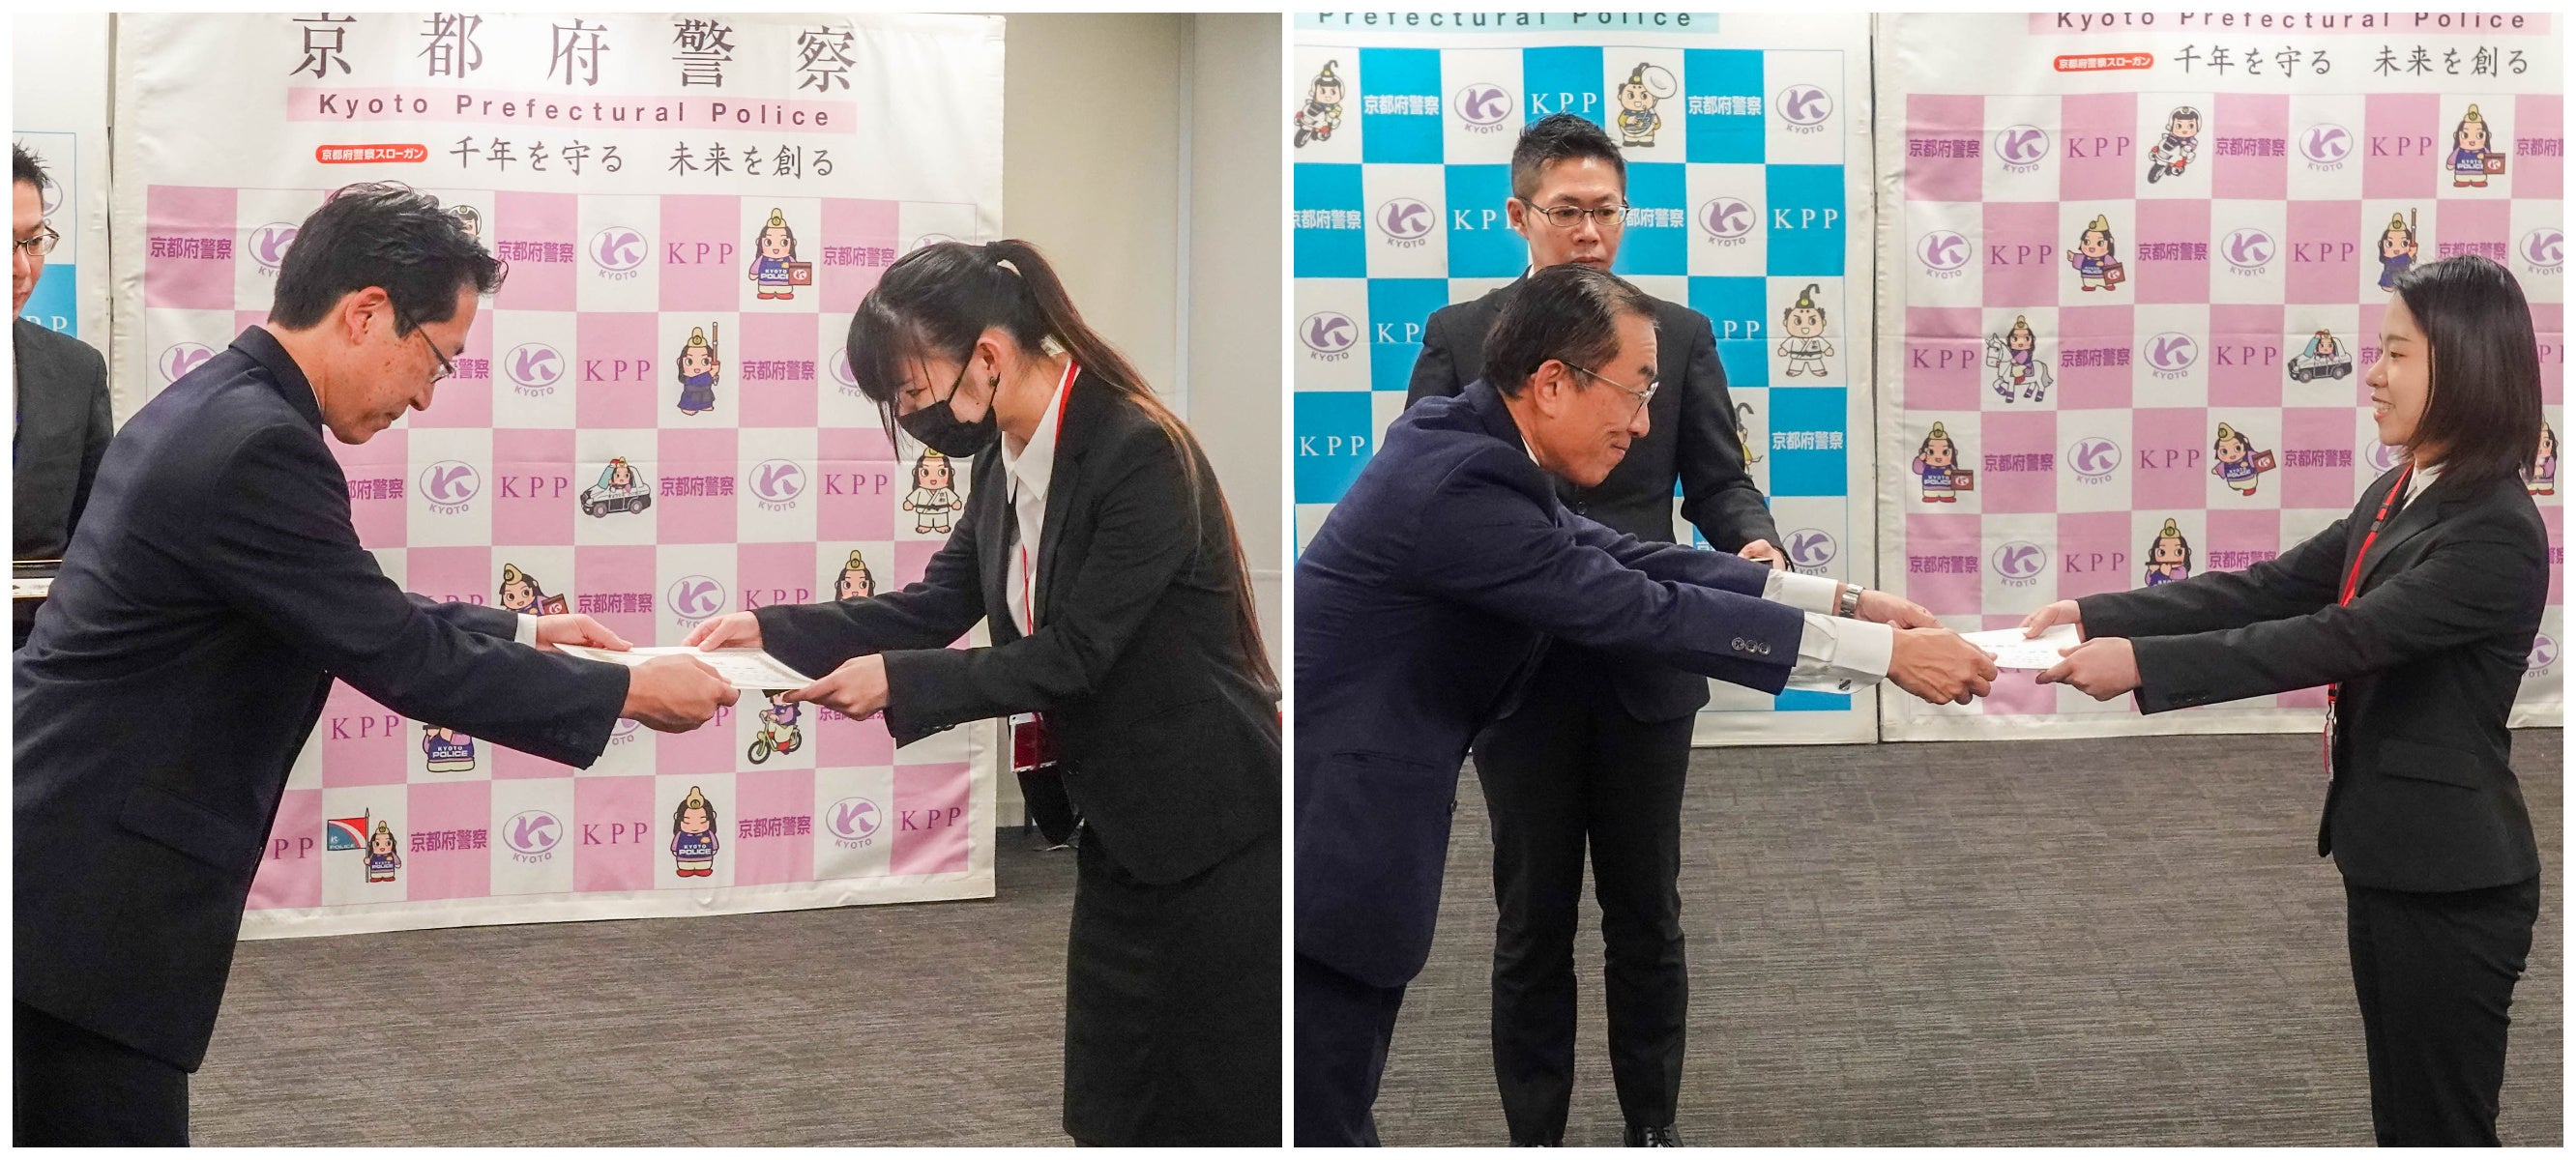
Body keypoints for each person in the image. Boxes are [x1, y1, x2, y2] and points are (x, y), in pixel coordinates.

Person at [13, 183, 738, 1146]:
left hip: (63, 857)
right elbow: (397, 653)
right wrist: (631, 689)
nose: (426, 396)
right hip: (85, 896)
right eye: (436, 359)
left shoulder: (218, 407)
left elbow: (341, 601)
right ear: (365, 313)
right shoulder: (260, 447)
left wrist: (525, 631)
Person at [1298, 262, 1999, 1146]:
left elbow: (1635, 557)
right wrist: (1885, 657)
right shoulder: (1465, 481)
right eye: (1634, 393)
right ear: (1553, 383)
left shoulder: (1471, 445)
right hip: (1338, 825)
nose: (1641, 425)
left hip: (1356, 804)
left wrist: (1849, 603)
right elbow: (1642, 609)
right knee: (1318, 1103)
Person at [685, 238, 1280, 1146]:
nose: (912, 418)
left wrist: (899, 681)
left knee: (1224, 1103)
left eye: (911, 393)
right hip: (1123, 825)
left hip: (1214, 823)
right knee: (1111, 1104)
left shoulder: (1137, 451)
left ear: (989, 358)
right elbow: (935, 604)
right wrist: (771, 631)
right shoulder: (1004, 461)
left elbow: (1075, 655)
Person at [2026, 254, 2549, 1146]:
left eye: (2397, 354)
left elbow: (2337, 638)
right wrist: (2099, 614)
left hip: (2454, 878)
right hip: (2390, 853)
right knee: (2405, 1121)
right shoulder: (2402, 488)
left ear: (2465, 366)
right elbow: (2273, 589)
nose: (2372, 374)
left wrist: (2142, 664)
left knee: (2444, 1128)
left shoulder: (2495, 529)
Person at [1402, 111, 1783, 1147]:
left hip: (1643, 661)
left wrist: (1755, 545)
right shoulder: (1463, 336)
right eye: (1566, 211)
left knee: (1647, 913)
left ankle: (1652, 1131)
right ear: (1518, 215)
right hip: (1513, 669)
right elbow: (1421, 487)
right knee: (1531, 921)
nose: (1589, 233)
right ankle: (1536, 1137)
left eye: (1606, 212)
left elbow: (1719, 481)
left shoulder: (1676, 335)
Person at [13, 144, 112, 651]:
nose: (21, 269)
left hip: (34, 664)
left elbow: (97, 536)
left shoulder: (76, 371)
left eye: (32, 242)